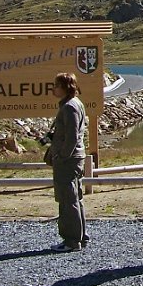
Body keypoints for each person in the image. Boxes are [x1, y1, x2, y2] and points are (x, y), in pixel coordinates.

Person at [46, 72, 89, 252]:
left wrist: (61, 156)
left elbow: (71, 136)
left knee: (67, 199)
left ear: (65, 87)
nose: (53, 89)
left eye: (56, 85)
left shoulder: (69, 107)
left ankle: (71, 240)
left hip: (69, 160)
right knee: (75, 198)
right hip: (75, 158)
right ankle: (81, 236)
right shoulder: (74, 104)